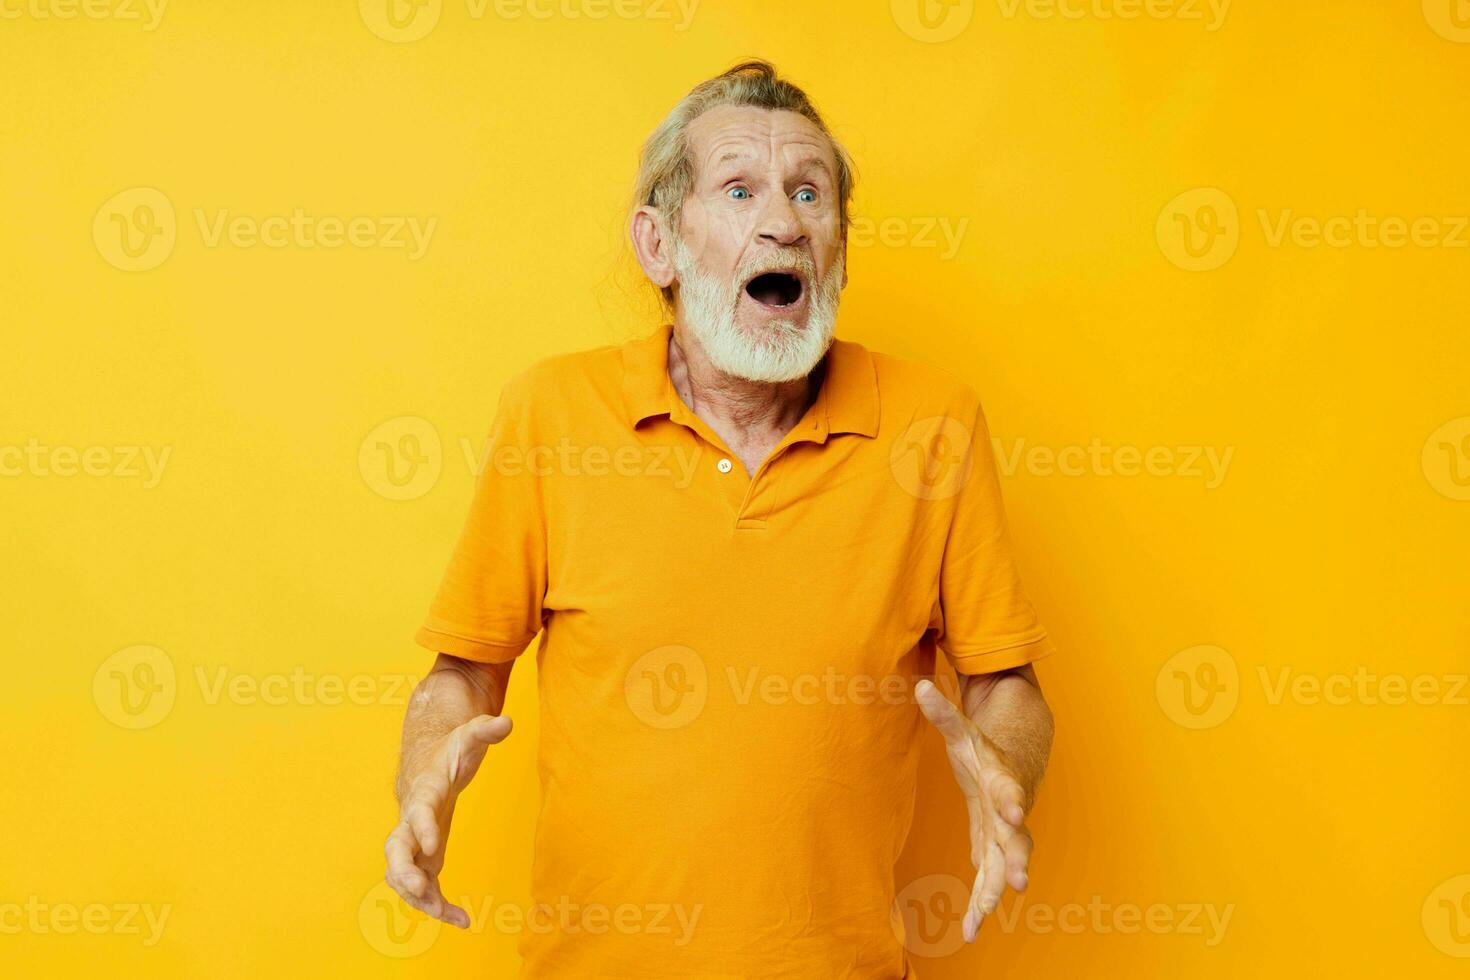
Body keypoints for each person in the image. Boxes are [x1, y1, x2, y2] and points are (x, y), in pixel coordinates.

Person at [384, 59, 1056, 978]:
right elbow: (464, 671)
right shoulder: (553, 412)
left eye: (809, 193)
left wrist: (1005, 770)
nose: (783, 221)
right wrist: (424, 777)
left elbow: (1003, 682)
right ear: (657, 243)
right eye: (740, 188)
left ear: (839, 250)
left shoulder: (934, 426)